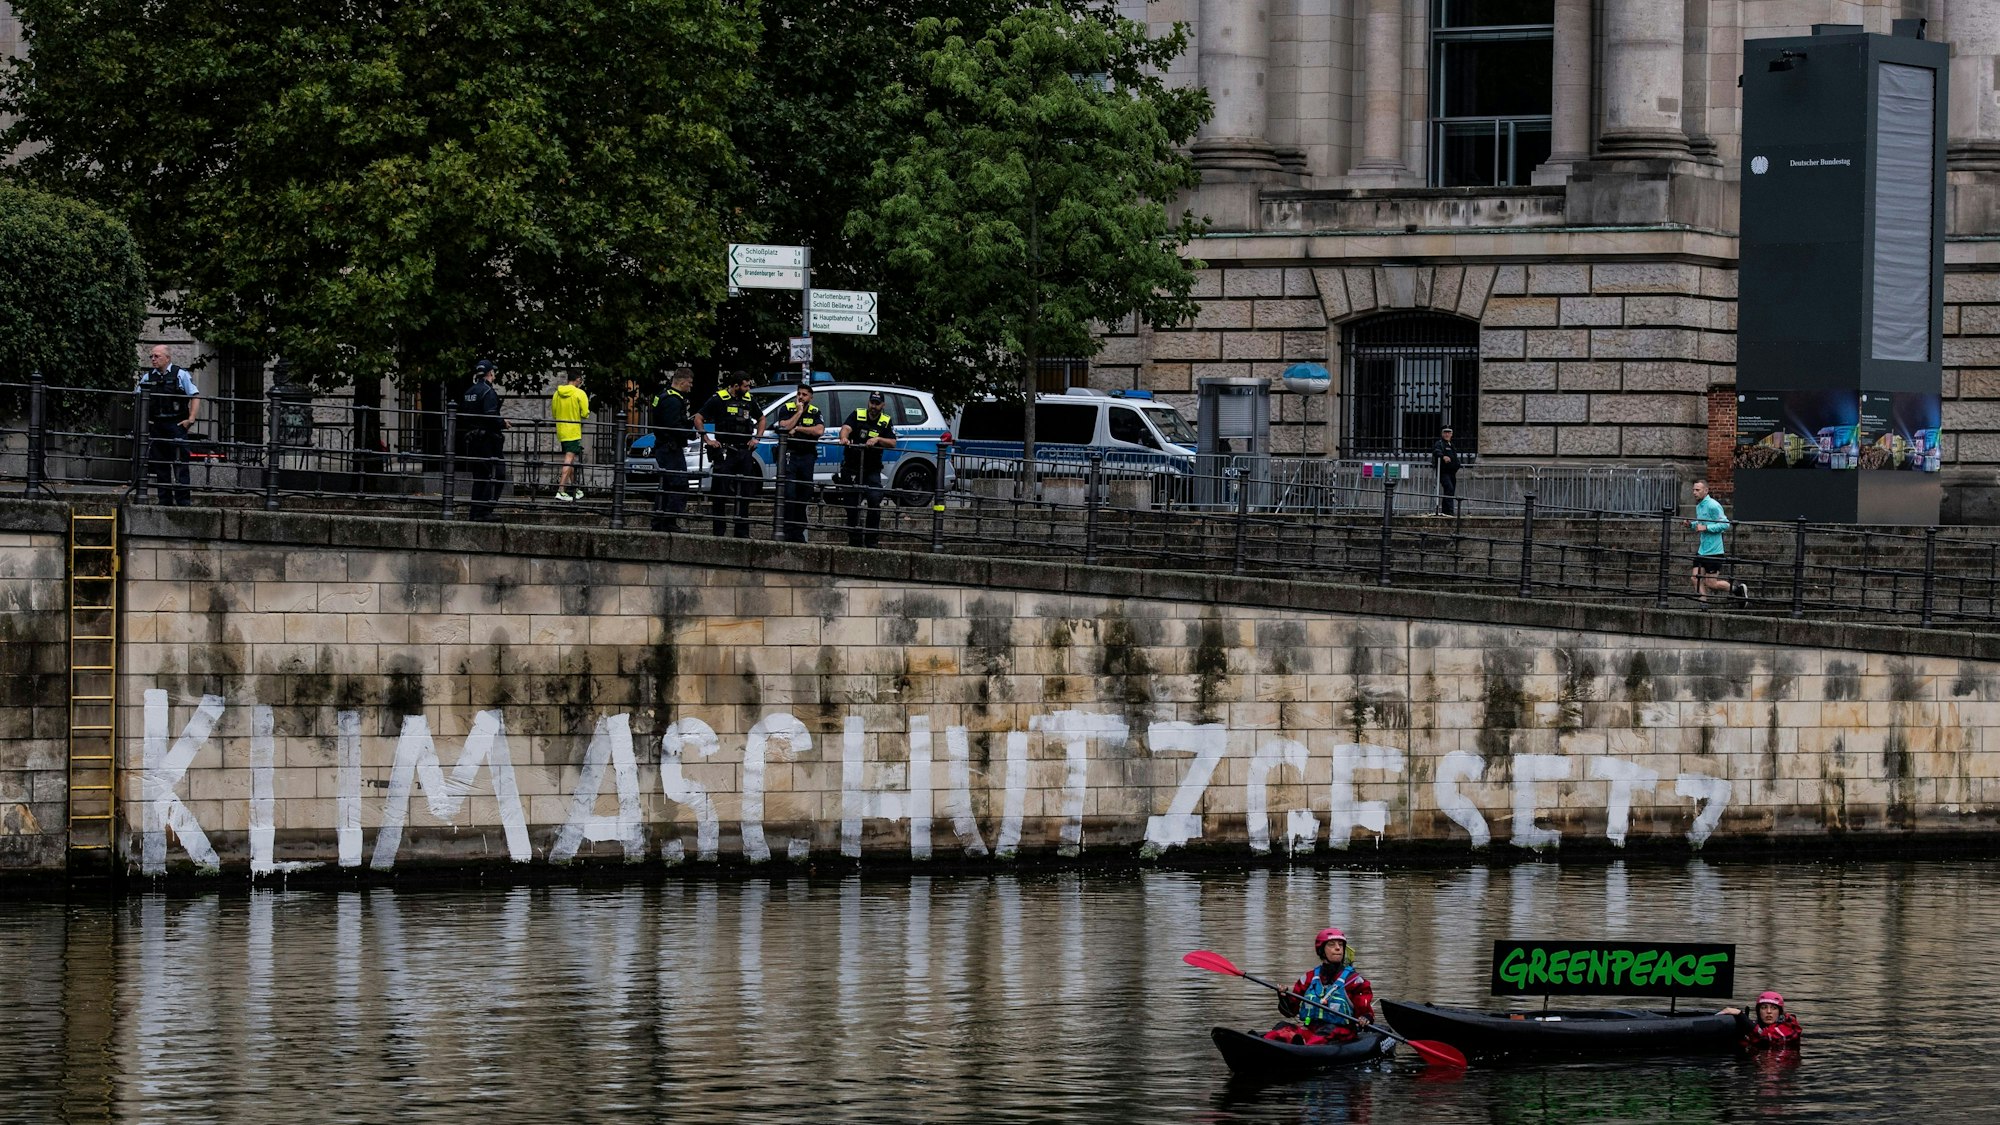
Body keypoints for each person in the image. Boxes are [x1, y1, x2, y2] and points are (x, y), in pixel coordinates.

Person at [1265, 927, 1376, 1045]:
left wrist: (1365, 1018)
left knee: (1326, 1032)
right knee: (1282, 1027)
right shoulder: (1308, 978)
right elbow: (1290, 1012)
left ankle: (1303, 1047)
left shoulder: (1354, 981)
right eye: (1331, 945)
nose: (1338, 948)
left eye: (1340, 945)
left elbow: (1367, 1013)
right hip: (1312, 1030)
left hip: (1341, 1033)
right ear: (1322, 950)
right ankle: (1263, 1041)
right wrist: (1283, 996)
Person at [695, 370, 766, 538]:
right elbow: (698, 417)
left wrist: (757, 438)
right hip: (725, 451)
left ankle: (742, 532)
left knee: (745, 493)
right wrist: (707, 439)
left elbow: (762, 419)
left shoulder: (749, 400)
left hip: (744, 451)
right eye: (746, 386)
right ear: (736, 385)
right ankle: (719, 532)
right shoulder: (719, 399)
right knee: (720, 493)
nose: (748, 389)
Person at [136, 344, 199, 506]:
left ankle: (183, 502)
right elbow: (137, 397)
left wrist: (190, 419)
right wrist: (145, 421)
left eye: (157, 356)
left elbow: (194, 395)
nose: (153, 359)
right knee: (160, 464)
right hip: (157, 424)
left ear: (167, 358)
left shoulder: (180, 375)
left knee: (180, 464)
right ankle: (164, 501)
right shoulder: (148, 377)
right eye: (152, 356)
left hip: (176, 424)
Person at [838, 390, 897, 548]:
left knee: (874, 500)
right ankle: (855, 542)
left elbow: (892, 442)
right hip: (852, 467)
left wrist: (878, 439)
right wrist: (843, 437)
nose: (874, 406)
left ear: (882, 405)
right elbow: (846, 428)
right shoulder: (858, 414)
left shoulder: (885, 421)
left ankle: (871, 541)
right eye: (872, 403)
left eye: (877, 404)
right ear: (868, 402)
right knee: (851, 506)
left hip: (871, 469)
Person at [773, 382, 826, 543]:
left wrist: (799, 429)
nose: (801, 397)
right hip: (790, 455)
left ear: (811, 397)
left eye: (804, 394)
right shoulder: (787, 409)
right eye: (799, 394)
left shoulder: (816, 412)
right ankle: (787, 531)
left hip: (807, 456)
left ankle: (798, 532)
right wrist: (799, 412)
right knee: (789, 493)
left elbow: (819, 430)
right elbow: (784, 427)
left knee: (804, 493)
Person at [648, 367, 696, 533]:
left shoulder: (664, 395)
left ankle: (660, 521)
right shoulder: (672, 400)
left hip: (665, 446)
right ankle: (669, 521)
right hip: (670, 448)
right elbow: (673, 426)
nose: (690, 387)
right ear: (682, 382)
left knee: (667, 485)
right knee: (678, 483)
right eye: (689, 383)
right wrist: (691, 433)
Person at [459, 359, 507, 522]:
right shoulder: (488, 391)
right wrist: (503, 423)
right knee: (498, 474)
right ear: (491, 373)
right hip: (487, 439)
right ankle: (484, 511)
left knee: (480, 476)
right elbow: (490, 415)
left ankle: (475, 512)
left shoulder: (469, 392)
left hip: (472, 438)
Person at [1687, 479, 1747, 603]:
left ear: (1706, 490)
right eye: (1693, 490)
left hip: (1714, 551)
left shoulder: (1713, 505)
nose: (1694, 492)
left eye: (1697, 490)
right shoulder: (1700, 505)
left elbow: (1725, 524)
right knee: (1694, 578)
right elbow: (1702, 522)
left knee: (1711, 583)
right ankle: (1703, 604)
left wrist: (1706, 528)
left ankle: (1737, 590)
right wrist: (1691, 524)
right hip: (1702, 550)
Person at [551, 370, 590, 501]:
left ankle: (575, 488)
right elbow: (585, 413)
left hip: (561, 430)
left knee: (571, 459)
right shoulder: (580, 393)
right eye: (581, 380)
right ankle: (561, 490)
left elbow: (554, 413)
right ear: (578, 380)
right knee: (568, 460)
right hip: (573, 431)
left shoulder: (557, 393)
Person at [1721, 990, 1801, 1051]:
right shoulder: (1755, 1026)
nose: (1769, 1011)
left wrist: (1743, 1018)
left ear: (1780, 1012)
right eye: (1764, 1007)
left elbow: (1770, 1039)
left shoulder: (1789, 1026)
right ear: (1758, 1012)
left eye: (1774, 1008)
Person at [1431, 426, 1461, 516]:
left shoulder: (1451, 445)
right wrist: (1443, 456)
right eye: (1445, 432)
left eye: (1449, 432)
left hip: (1452, 472)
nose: (1447, 434)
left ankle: (1446, 510)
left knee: (1451, 491)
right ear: (1442, 433)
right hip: (1443, 472)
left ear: (1451, 434)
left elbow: (1455, 457)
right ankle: (1449, 511)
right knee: (1449, 488)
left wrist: (1457, 465)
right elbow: (1436, 451)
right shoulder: (1440, 443)